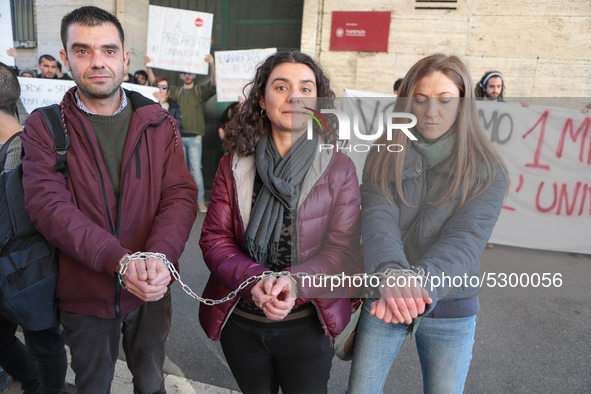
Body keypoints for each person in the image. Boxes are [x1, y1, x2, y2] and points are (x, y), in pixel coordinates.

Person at [20, 6, 198, 393]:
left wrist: (161, 256)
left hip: (152, 288)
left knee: (151, 382)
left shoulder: (158, 121)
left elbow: (179, 194)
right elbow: (48, 206)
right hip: (85, 292)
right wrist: (118, 260)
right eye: (82, 51)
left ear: (125, 58)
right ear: (66, 58)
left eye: (108, 50)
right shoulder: (44, 125)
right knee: (93, 384)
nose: (98, 61)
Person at [199, 50, 362, 394]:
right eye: (281, 87)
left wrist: (295, 284)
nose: (294, 97)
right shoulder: (234, 164)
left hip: (308, 324)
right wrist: (253, 279)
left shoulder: (339, 167)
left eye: (306, 88)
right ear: (261, 98)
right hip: (242, 322)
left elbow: (343, 250)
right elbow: (215, 239)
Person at [348, 54, 508, 394]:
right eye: (420, 100)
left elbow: (465, 240)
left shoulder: (489, 169)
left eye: (445, 100)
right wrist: (392, 275)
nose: (431, 112)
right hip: (386, 293)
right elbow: (378, 219)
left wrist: (416, 287)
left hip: (451, 303)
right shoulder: (385, 151)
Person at [0, 61, 67, 394]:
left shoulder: (24, 148)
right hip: (10, 263)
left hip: (28, 265)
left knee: (43, 340)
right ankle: (32, 381)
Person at [145, 55, 217, 213]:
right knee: (180, 171)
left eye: (190, 73)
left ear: (195, 75)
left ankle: (200, 201)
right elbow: (156, 84)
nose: (187, 76)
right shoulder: (176, 91)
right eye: (184, 73)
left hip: (194, 138)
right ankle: (182, 201)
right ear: (181, 75)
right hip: (177, 137)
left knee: (196, 170)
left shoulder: (199, 91)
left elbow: (214, 85)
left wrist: (212, 65)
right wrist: (149, 66)